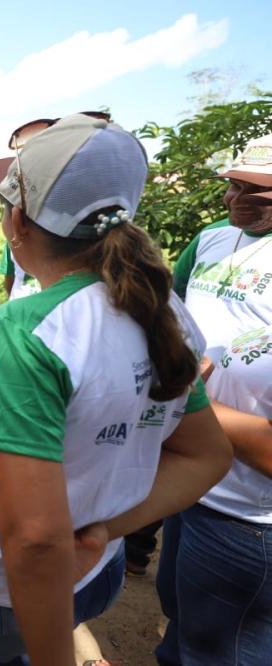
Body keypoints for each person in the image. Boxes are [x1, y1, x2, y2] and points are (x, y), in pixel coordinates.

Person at [0, 113, 233, 666]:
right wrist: (102, 530)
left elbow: (35, 540)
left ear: (18, 222)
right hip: (93, 570)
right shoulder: (163, 310)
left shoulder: (24, 332)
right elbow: (205, 454)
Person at [155, 134, 272, 665]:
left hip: (249, 515)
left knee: (224, 646)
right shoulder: (211, 241)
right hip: (193, 479)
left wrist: (190, 397)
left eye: (256, 191)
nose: (235, 199)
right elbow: (171, 311)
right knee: (179, 613)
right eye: (233, 185)